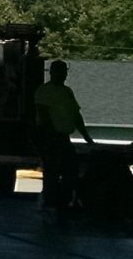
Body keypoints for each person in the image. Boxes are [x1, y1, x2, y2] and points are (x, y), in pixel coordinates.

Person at [33, 59, 93, 216]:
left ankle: (64, 202)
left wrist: (87, 137)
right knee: (52, 172)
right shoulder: (44, 91)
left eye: (65, 72)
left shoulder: (67, 92)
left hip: (64, 137)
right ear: (52, 73)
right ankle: (50, 202)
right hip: (49, 137)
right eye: (60, 72)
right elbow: (44, 115)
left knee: (71, 171)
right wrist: (51, 137)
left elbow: (76, 115)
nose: (63, 75)